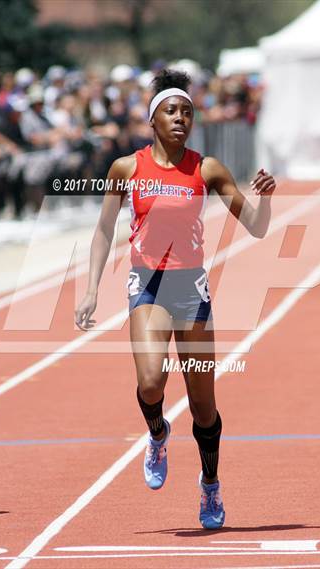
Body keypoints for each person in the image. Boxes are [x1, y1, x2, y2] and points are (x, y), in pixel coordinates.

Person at [75, 69, 276, 529]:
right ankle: (158, 432)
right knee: (150, 383)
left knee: (203, 403)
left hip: (190, 288)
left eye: (187, 111)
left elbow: (258, 228)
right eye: (171, 111)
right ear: (153, 120)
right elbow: (105, 228)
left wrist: (263, 201)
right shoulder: (127, 168)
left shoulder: (207, 169)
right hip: (147, 283)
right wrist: (90, 288)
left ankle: (210, 484)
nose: (181, 118)